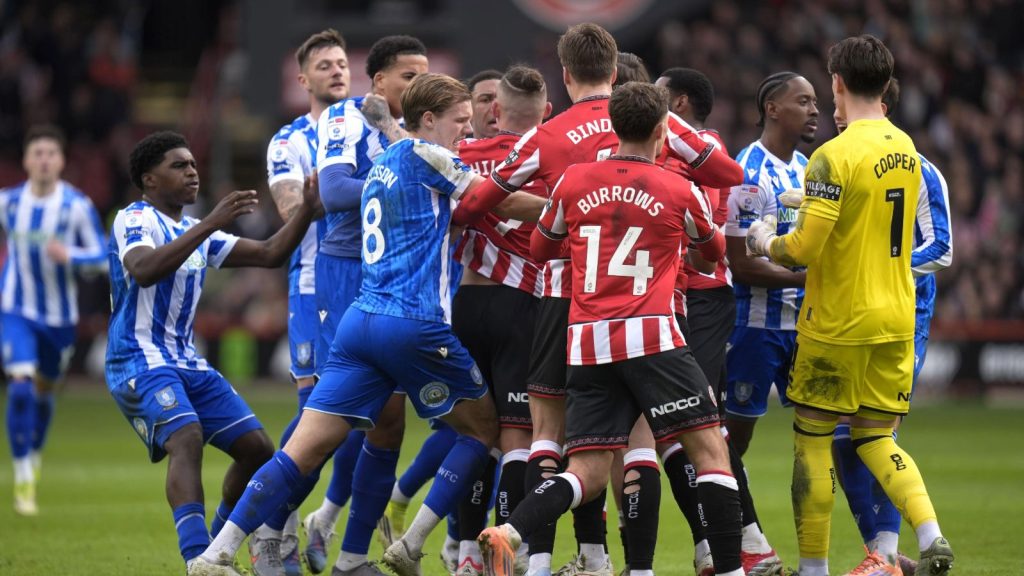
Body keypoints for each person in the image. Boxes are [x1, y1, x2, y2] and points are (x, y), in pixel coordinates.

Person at [191, 73, 540, 576]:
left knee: (302, 450)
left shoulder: (382, 165)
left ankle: (215, 553)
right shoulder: (434, 158)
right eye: (460, 121)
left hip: (361, 322)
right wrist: (564, 209)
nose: (467, 132)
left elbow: (421, 168)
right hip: (413, 323)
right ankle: (412, 541)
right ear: (428, 120)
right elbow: (496, 200)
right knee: (485, 428)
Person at [452, 23, 740, 576]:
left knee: (563, 451)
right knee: (693, 449)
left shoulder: (565, 164)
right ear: (661, 128)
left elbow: (529, 239)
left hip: (578, 321)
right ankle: (707, 565)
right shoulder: (677, 183)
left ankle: (530, 542)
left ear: (564, 75)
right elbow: (721, 209)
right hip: (653, 326)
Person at [745, 35, 954, 576]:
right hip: (896, 318)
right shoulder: (907, 149)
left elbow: (803, 251)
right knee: (876, 437)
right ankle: (930, 534)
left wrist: (765, 238)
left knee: (813, 441)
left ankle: (814, 569)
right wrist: (807, 202)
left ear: (837, 82)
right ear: (884, 86)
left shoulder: (830, 156)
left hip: (837, 322)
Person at [105, 131, 317, 574]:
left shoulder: (193, 233)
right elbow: (144, 270)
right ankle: (196, 558)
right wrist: (210, 223)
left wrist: (308, 212)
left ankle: (216, 550)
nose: (192, 172)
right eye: (178, 166)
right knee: (186, 436)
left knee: (258, 450)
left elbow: (271, 252)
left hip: (187, 361)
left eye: (193, 164)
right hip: (138, 359)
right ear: (149, 179)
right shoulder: (135, 218)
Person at [298, 35, 429, 576]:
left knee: (387, 422)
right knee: (334, 415)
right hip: (346, 272)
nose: (417, 85)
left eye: (423, 75)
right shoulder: (342, 120)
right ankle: (266, 526)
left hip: (396, 279)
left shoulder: (415, 128)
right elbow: (331, 192)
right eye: (407, 76)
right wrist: (399, 182)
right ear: (377, 82)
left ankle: (347, 551)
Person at [655, 67, 784, 576]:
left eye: (658, 96)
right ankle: (734, 543)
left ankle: (738, 545)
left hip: (703, 300)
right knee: (683, 428)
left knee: (693, 422)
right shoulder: (684, 152)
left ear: (679, 103)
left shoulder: (702, 150)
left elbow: (707, 245)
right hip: (680, 301)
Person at [826, 78, 952, 576]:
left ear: (880, 105)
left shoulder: (919, 169)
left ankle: (886, 552)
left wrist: (881, 266)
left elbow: (941, 247)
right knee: (841, 437)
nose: (836, 110)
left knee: (875, 430)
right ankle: (883, 553)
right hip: (853, 315)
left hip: (902, 316)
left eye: (842, 99)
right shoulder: (840, 160)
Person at [246, 28, 348, 575]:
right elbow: (291, 209)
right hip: (313, 289)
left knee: (369, 420)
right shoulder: (289, 142)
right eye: (324, 65)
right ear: (303, 78)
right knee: (320, 418)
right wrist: (341, 192)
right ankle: (271, 526)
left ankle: (318, 522)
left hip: (367, 290)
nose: (336, 70)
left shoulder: (365, 125)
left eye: (341, 62)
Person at [448, 64, 552, 576]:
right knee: (517, 438)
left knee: (476, 433)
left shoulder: (460, 157)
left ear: (492, 110)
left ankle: (466, 552)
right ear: (546, 114)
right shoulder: (548, 156)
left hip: (467, 304)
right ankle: (501, 558)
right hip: (521, 305)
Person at [2, 125, 106, 516]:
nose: (44, 159)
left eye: (51, 153)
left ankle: (36, 454)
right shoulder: (9, 203)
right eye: (37, 153)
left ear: (62, 161)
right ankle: (23, 473)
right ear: (26, 161)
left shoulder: (76, 206)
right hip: (15, 310)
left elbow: (103, 257)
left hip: (60, 320)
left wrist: (73, 257)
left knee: (44, 396)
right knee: (21, 389)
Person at [723, 71, 818, 458]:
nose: (815, 110)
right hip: (755, 328)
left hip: (806, 325)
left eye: (814, 102)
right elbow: (741, 265)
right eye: (804, 101)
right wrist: (810, 277)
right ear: (772, 109)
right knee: (735, 441)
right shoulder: (747, 173)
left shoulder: (808, 167)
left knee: (818, 433)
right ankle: (736, 520)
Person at [467, 69, 503, 139]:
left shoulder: (528, 149)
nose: (496, 107)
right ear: (468, 110)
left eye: (502, 99)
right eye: (485, 100)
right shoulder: (456, 149)